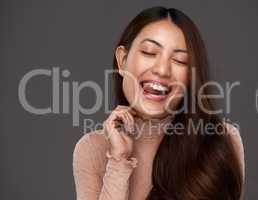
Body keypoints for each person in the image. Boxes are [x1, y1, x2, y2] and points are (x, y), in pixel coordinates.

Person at [73, 6, 245, 200]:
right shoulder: (92, 149)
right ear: (122, 60)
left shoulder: (222, 140)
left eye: (180, 61)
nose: (163, 70)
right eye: (149, 52)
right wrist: (119, 160)